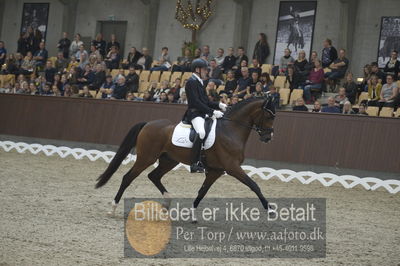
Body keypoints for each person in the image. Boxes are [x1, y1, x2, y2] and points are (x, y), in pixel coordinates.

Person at [183, 59, 226, 173]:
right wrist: (212, 112)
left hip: (202, 113)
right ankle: (194, 163)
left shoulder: (200, 82)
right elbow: (196, 102)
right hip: (194, 113)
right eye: (204, 69)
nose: (206, 71)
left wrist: (219, 105)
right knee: (201, 132)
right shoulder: (191, 82)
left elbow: (205, 101)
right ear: (197, 69)